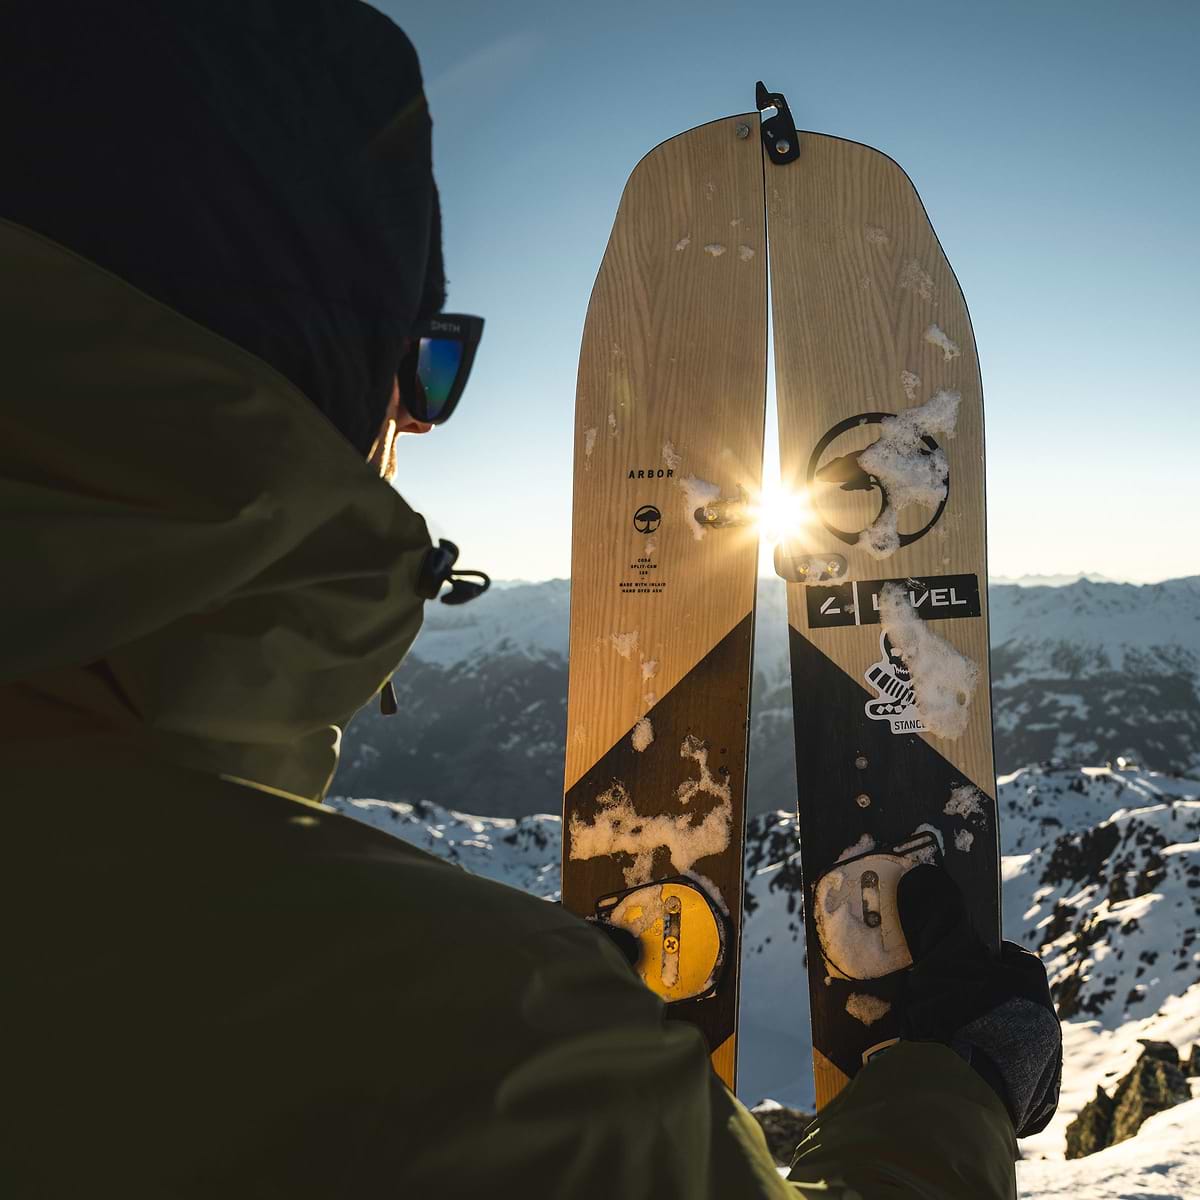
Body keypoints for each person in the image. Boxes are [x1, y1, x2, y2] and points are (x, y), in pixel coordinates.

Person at [0, 3, 1060, 1196]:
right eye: (423, 362)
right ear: (317, 371)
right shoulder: (478, 1063)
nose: (413, 421)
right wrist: (953, 1084)